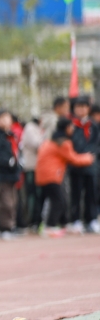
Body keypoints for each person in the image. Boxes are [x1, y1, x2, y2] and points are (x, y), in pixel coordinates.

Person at [36, 117, 94, 237]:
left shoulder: (50, 140)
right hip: (52, 176)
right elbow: (73, 158)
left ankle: (63, 224)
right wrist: (88, 158)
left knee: (58, 200)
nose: (73, 129)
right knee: (59, 201)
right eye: (71, 126)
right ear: (66, 128)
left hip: (43, 175)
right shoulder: (63, 143)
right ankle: (49, 226)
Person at [68, 96, 99, 233]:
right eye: (78, 107)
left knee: (92, 194)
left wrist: (91, 154)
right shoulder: (71, 125)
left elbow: (96, 143)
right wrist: (80, 156)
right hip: (75, 165)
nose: (81, 109)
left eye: (83, 106)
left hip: (91, 165)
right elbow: (69, 144)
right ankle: (76, 220)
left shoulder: (94, 125)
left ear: (88, 108)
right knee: (76, 194)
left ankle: (91, 219)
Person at [0, 110, 21, 236]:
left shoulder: (11, 134)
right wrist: (9, 161)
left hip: (12, 174)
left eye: (7, 118)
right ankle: (4, 228)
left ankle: (11, 225)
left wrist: (17, 163)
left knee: (13, 202)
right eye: (2, 118)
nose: (5, 121)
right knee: (5, 202)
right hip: (2, 174)